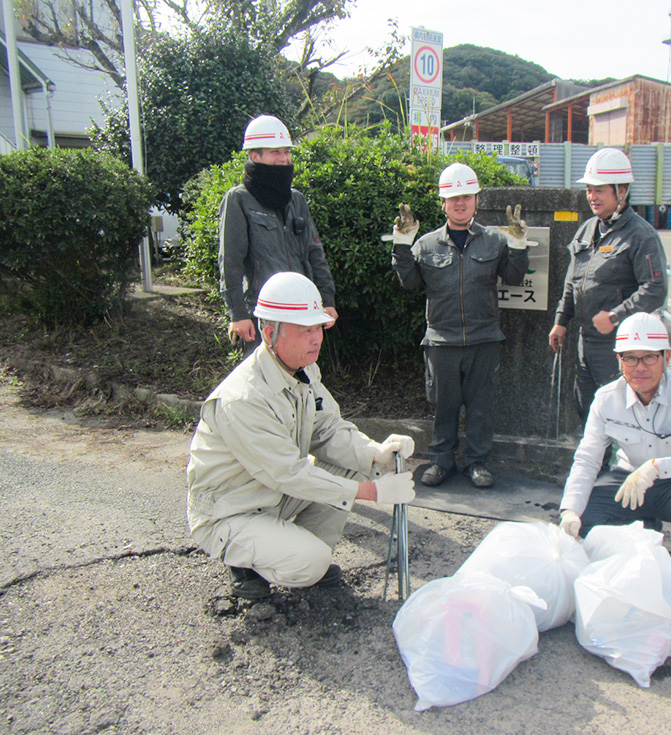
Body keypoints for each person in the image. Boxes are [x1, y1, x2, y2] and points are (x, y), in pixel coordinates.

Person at [187, 272, 415, 599]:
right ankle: (249, 561)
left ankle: (288, 548)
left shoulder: (304, 371)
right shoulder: (244, 399)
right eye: (304, 330)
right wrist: (373, 491)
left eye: (318, 328)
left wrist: (376, 452)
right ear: (269, 334)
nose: (317, 339)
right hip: (231, 509)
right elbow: (288, 473)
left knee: (355, 462)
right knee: (312, 561)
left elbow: (327, 429)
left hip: (271, 494)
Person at [557, 312, 671, 591]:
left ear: (666, 358)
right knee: (580, 522)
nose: (640, 367)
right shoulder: (606, 399)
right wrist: (570, 510)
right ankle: (645, 526)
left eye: (649, 357)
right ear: (619, 360)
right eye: (630, 358)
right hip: (629, 484)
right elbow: (587, 459)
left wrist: (658, 467)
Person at [389, 163, 533, 488]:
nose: (460, 203)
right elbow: (409, 282)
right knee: (444, 406)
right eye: (453, 197)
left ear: (476, 200)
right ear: (443, 203)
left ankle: (477, 463)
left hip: (484, 339)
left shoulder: (494, 241)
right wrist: (401, 245)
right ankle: (440, 462)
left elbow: (513, 276)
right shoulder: (426, 244)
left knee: (481, 408)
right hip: (441, 341)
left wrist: (519, 245)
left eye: (466, 196)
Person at [548, 148, 669, 420]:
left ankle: (618, 462)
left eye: (600, 190)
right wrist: (561, 320)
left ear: (622, 191)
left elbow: (655, 289)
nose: (592, 197)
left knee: (620, 410)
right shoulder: (587, 229)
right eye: (589, 190)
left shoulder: (641, 235)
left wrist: (616, 316)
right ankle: (597, 463)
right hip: (585, 338)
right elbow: (573, 281)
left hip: (619, 344)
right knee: (588, 407)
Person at [219, 114, 338, 354]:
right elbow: (230, 262)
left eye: (287, 151)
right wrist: (238, 314)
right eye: (275, 152)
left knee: (301, 381)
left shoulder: (296, 200)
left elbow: (316, 254)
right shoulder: (239, 199)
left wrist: (327, 300)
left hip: (302, 312)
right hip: (263, 314)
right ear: (255, 156)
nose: (284, 159)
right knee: (263, 384)